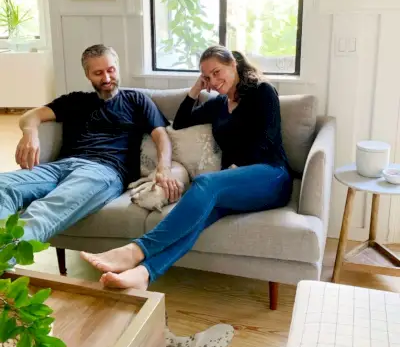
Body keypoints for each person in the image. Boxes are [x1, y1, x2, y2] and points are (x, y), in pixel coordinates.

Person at [82, 45, 293, 290]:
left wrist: (231, 172)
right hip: (234, 186)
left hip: (271, 176)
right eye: (207, 77)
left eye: (217, 72)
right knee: (198, 220)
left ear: (233, 64)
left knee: (205, 182)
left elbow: (267, 139)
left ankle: (136, 250)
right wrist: (196, 89)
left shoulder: (262, 92)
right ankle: (144, 274)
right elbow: (181, 121)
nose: (213, 81)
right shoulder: (219, 104)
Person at [0, 44, 181, 242]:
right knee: (3, 186)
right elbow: (31, 116)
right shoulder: (75, 100)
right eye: (98, 73)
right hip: (59, 168)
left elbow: (161, 136)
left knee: (46, 210)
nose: (106, 78)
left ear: (117, 67)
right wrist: (30, 133)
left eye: (110, 70)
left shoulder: (136, 100)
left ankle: (5, 256)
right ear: (87, 75)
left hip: (103, 171)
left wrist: (164, 167)